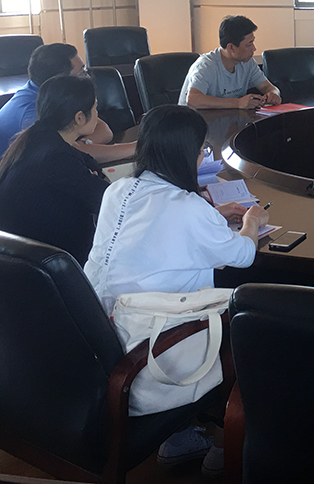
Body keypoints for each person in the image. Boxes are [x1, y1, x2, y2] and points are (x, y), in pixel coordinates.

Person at [84, 104, 269, 477]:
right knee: (252, 328)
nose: (203, 155)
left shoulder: (117, 190)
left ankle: (179, 437)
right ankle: (223, 450)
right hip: (149, 356)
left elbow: (159, 231)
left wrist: (212, 215)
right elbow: (243, 254)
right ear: (187, 154)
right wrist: (252, 220)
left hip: (98, 339)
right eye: (201, 150)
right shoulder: (188, 207)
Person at [0, 75, 110, 265]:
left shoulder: (36, 139)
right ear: (79, 117)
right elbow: (109, 200)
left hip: (10, 258)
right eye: (95, 108)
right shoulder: (56, 157)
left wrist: (94, 175)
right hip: (30, 267)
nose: (97, 114)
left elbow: (89, 163)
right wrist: (97, 179)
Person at [0, 42, 135, 183]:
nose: (87, 77)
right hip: (23, 195)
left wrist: (81, 144)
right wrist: (135, 148)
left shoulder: (54, 97)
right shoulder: (33, 113)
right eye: (81, 73)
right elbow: (67, 155)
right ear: (60, 80)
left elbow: (104, 130)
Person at [179, 15, 282, 109]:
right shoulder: (206, 66)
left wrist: (273, 94)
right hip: (195, 121)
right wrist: (237, 103)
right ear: (231, 47)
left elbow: (268, 87)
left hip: (226, 119)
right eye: (249, 44)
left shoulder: (248, 62)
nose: (254, 48)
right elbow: (192, 100)